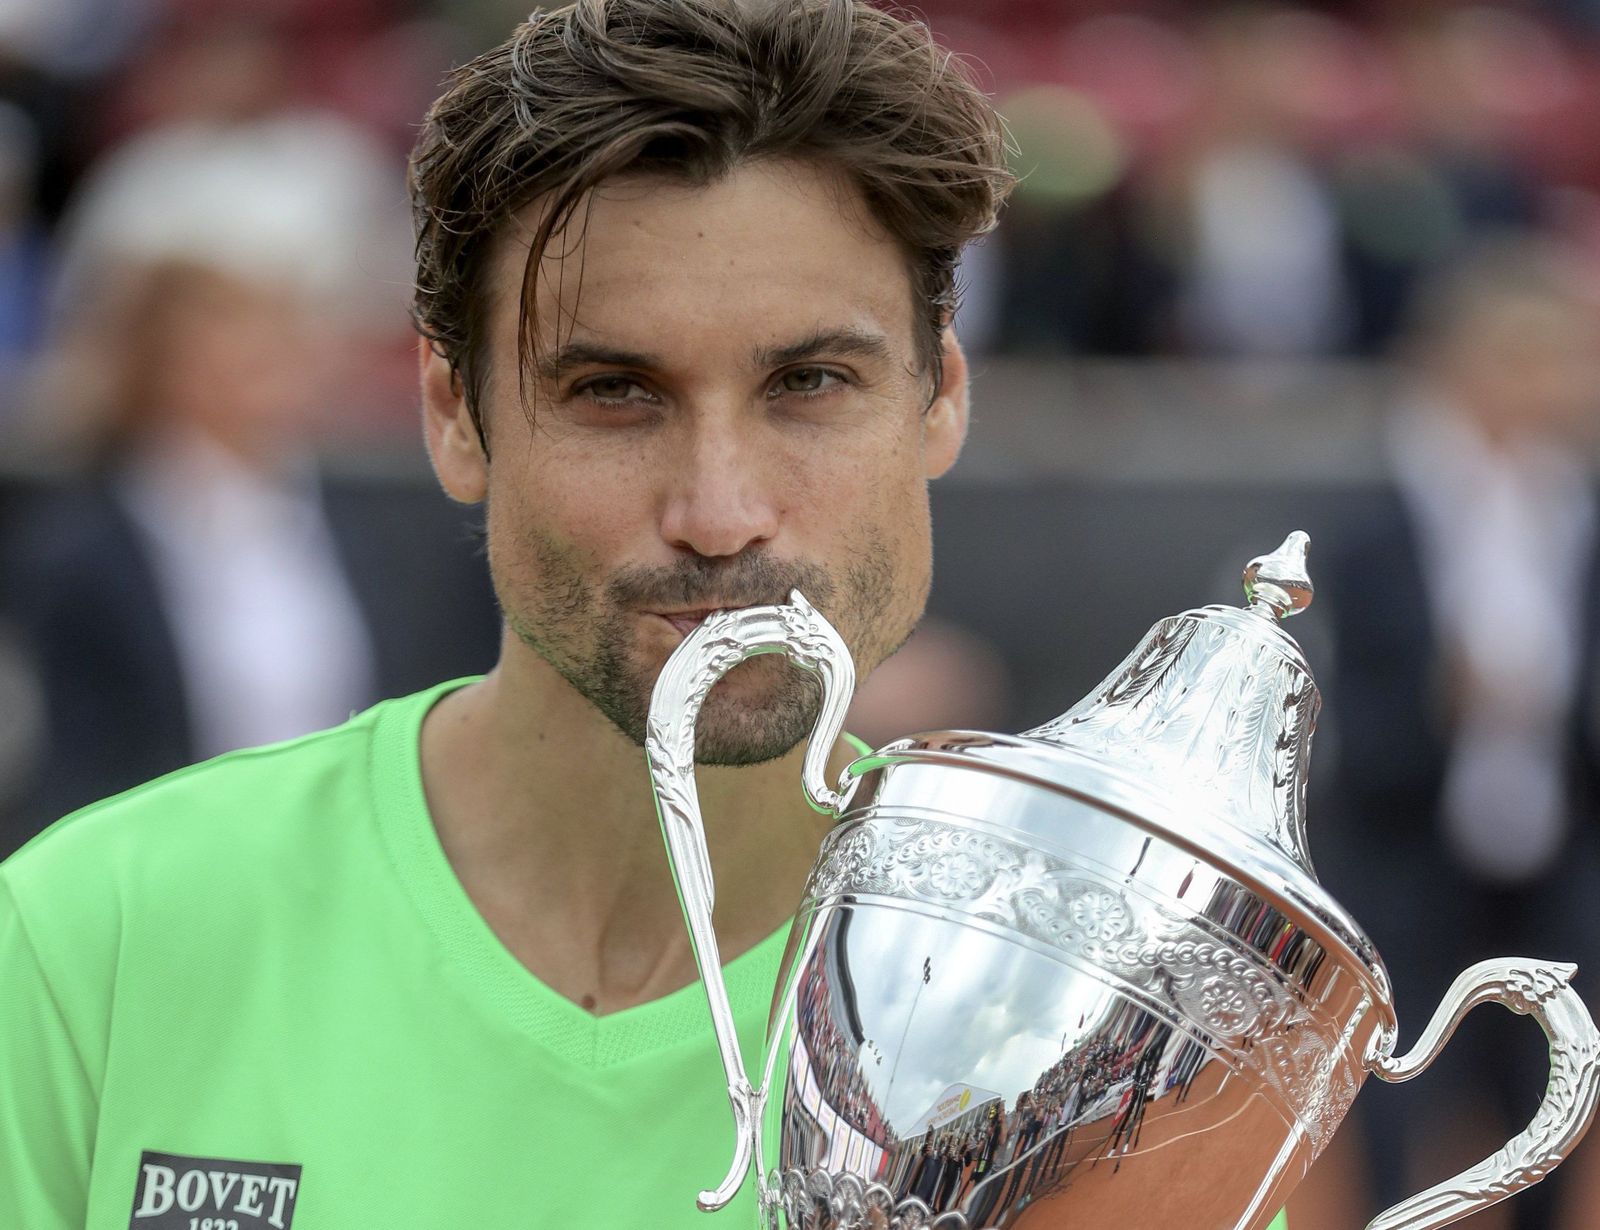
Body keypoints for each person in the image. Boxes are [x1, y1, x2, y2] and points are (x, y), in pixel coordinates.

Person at [0, 1, 1008, 1226]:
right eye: (613, 392)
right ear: (451, 414)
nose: (720, 511)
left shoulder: (1087, 1041)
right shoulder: (91, 936)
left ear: (939, 396)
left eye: (808, 383)